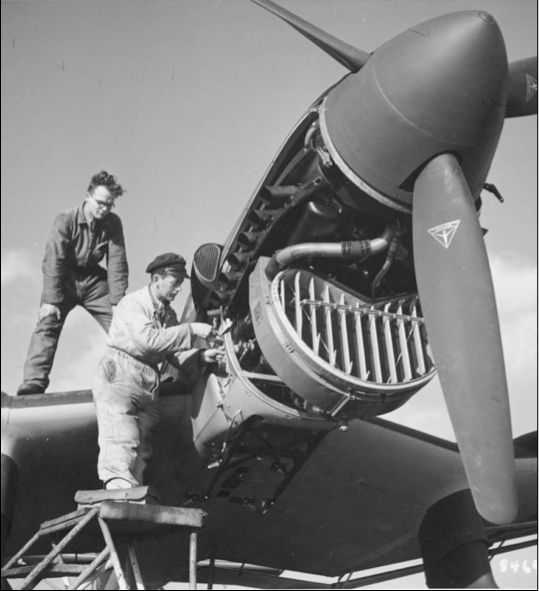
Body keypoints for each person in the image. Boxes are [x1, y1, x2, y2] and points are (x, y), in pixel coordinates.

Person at [92, 252, 221, 490]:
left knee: (142, 446)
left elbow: (173, 352)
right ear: (157, 278)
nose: (179, 289)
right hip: (122, 372)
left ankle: (132, 492)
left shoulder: (168, 314)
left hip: (148, 381)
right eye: (175, 282)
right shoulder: (132, 303)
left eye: (182, 283)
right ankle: (118, 488)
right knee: (122, 435)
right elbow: (148, 341)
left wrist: (202, 356)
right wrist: (192, 330)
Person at [17, 170, 128, 396]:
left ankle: (139, 377)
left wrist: (117, 302)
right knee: (48, 322)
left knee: (124, 323)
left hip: (93, 281)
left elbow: (117, 263)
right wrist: (51, 300)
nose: (104, 209)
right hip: (63, 278)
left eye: (109, 205)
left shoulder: (113, 223)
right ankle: (34, 382)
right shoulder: (65, 219)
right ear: (87, 196)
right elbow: (53, 261)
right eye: (100, 203)